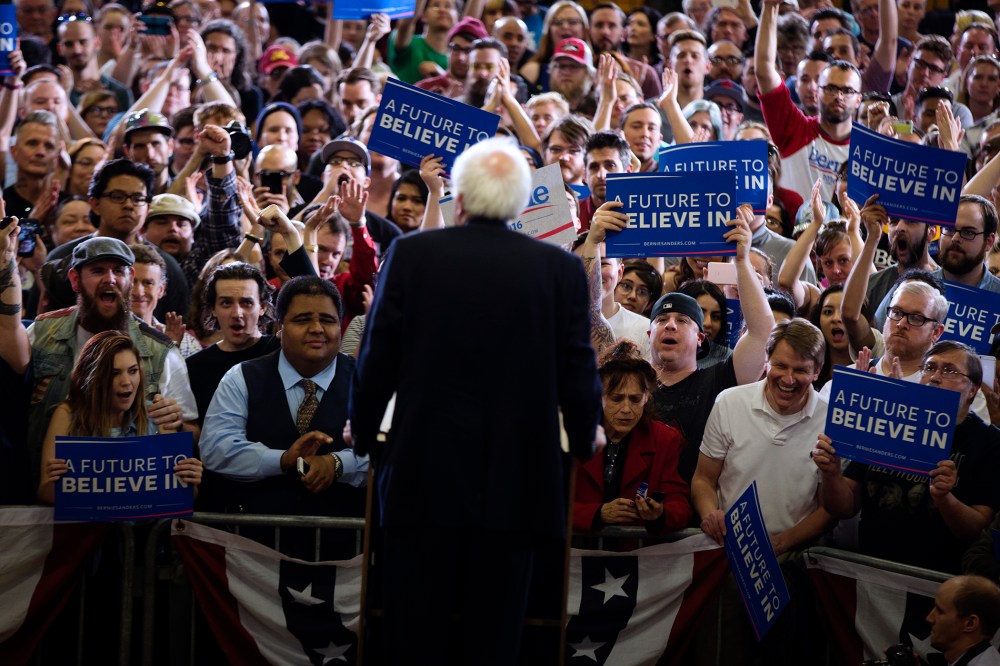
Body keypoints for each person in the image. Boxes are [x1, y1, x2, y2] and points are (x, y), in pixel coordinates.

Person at [350, 137, 603, 665]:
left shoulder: (411, 254)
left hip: (422, 482)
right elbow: (577, 368)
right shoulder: (556, 270)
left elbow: (377, 358)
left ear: (457, 200)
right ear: (518, 203)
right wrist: (584, 438)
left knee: (413, 639)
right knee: (495, 641)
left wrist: (366, 434)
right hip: (517, 489)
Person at [200, 274, 367, 552]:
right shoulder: (241, 377)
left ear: (341, 326)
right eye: (302, 320)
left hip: (345, 553)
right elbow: (216, 448)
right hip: (256, 552)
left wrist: (339, 464)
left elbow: (389, 451)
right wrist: (283, 460)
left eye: (327, 320)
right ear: (280, 327)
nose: (316, 329)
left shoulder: (366, 380)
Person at [814, 341, 1000, 573]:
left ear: (973, 389)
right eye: (929, 368)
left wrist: (944, 499)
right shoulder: (886, 424)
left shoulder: (989, 443)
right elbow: (844, 508)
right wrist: (831, 474)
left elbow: (978, 533)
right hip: (871, 570)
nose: (935, 377)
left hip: (935, 581)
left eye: (949, 370)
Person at [27, 237, 197, 485]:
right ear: (75, 279)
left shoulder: (162, 351)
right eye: (97, 271)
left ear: (129, 277)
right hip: (54, 503)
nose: (110, 279)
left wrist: (178, 422)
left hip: (136, 505)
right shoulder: (41, 333)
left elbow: (193, 434)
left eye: (118, 271)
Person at [37, 331, 202, 505]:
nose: (126, 382)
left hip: (143, 530)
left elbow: (184, 495)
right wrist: (57, 484)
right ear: (93, 378)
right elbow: (45, 492)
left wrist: (190, 480)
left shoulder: (157, 414)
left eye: (132, 371)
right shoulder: (67, 415)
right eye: (115, 373)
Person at [573, 340, 691, 539]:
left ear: (646, 397)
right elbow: (545, 502)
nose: (627, 409)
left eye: (635, 399)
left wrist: (660, 514)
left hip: (636, 557)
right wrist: (596, 514)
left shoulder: (665, 439)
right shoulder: (572, 434)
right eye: (616, 399)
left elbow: (681, 507)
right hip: (578, 555)